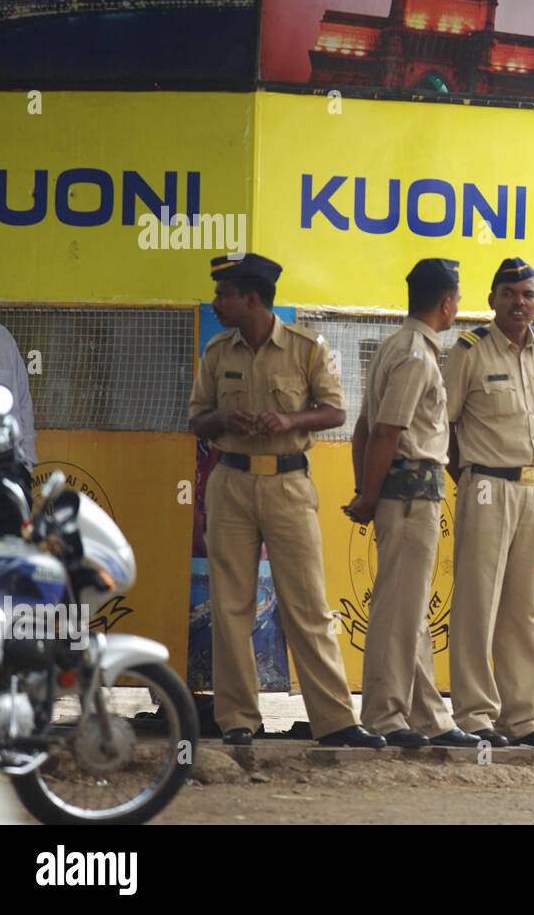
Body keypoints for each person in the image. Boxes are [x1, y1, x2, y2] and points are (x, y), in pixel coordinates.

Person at [187, 253, 384, 748]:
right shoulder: (217, 351)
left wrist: (289, 422)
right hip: (229, 484)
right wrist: (225, 421)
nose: (217, 302)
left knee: (307, 605)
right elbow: (197, 419)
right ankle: (238, 720)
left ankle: (335, 721)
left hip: (289, 485)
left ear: (250, 299)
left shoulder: (306, 348)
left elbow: (336, 410)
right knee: (232, 604)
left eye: (224, 294)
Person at [343, 259, 481, 750]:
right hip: (407, 495)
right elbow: (386, 431)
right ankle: (383, 715)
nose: (459, 306)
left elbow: (366, 427)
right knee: (397, 611)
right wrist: (370, 494)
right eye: (458, 298)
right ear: (447, 302)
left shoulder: (394, 346)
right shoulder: (417, 355)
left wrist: (367, 487)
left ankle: (429, 716)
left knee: (410, 609)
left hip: (402, 493)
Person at [442, 257, 534, 750]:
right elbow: (445, 425)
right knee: (477, 602)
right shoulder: (470, 350)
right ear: (493, 298)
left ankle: (521, 717)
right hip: (486, 486)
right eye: (510, 294)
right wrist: (470, 476)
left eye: (528, 295)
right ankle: (475, 715)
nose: (520, 303)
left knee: (523, 607)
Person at [0, 251, 37, 539]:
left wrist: (25, 469)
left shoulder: (3, 340)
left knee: (7, 574)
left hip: (6, 475)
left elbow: (23, 406)